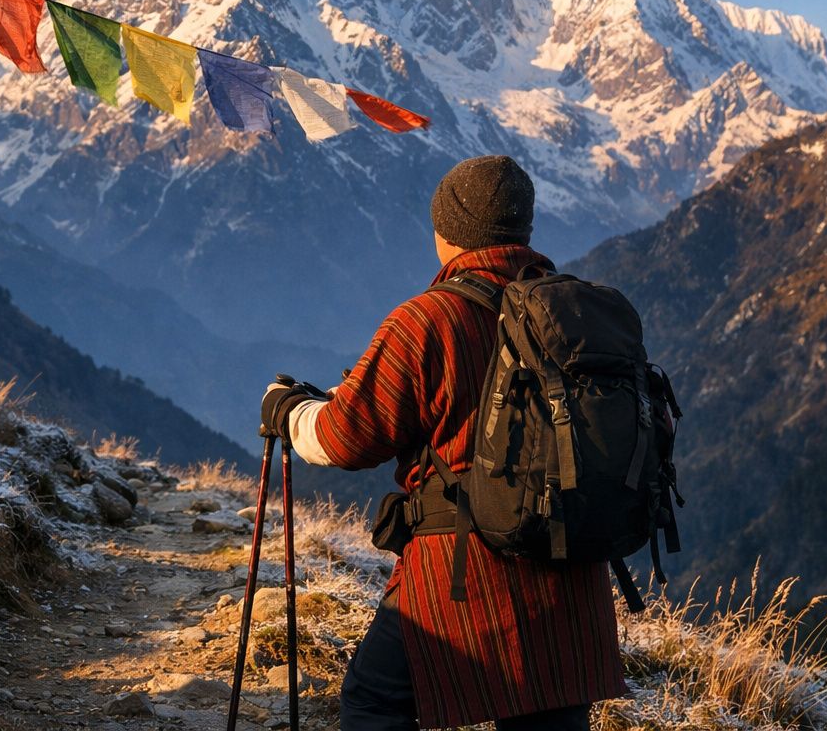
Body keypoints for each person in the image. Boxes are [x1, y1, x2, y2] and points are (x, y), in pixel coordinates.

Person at [261, 155, 626, 731]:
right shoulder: (575, 312)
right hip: (573, 579)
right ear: (523, 229)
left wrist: (290, 412)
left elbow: (343, 439)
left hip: (465, 574)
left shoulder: (429, 319)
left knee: (376, 701)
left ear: (446, 232)